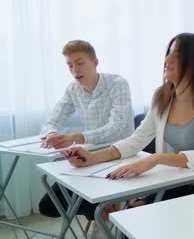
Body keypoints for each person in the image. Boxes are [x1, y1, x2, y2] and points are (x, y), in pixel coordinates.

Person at [62, 32, 194, 217]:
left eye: (176, 55)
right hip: (172, 180)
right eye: (168, 52)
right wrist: (92, 157)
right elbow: (137, 140)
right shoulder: (162, 96)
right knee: (130, 216)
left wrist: (155, 158)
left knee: (139, 217)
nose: (167, 59)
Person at [39, 40, 134, 221]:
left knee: (81, 197)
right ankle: (99, 212)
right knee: (48, 206)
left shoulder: (117, 83)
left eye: (80, 63)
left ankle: (102, 213)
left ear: (95, 62)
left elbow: (118, 127)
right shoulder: (73, 89)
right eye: (69, 65)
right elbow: (51, 121)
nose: (75, 70)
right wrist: (51, 134)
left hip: (121, 154)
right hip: (90, 155)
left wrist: (78, 137)